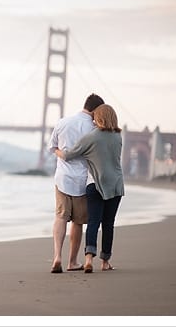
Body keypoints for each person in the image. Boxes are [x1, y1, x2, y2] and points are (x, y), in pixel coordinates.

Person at [55, 104, 125, 273]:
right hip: (115, 185)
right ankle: (105, 262)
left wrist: (56, 150)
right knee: (109, 224)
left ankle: (88, 259)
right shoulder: (118, 137)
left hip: (95, 185)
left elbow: (68, 155)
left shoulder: (92, 137)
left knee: (94, 222)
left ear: (98, 118)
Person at [48, 93, 105, 273]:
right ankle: (72, 262)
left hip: (62, 177)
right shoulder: (95, 130)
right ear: (95, 111)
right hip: (83, 180)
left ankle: (57, 256)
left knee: (60, 216)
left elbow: (52, 147)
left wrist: (63, 154)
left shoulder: (63, 122)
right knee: (78, 222)